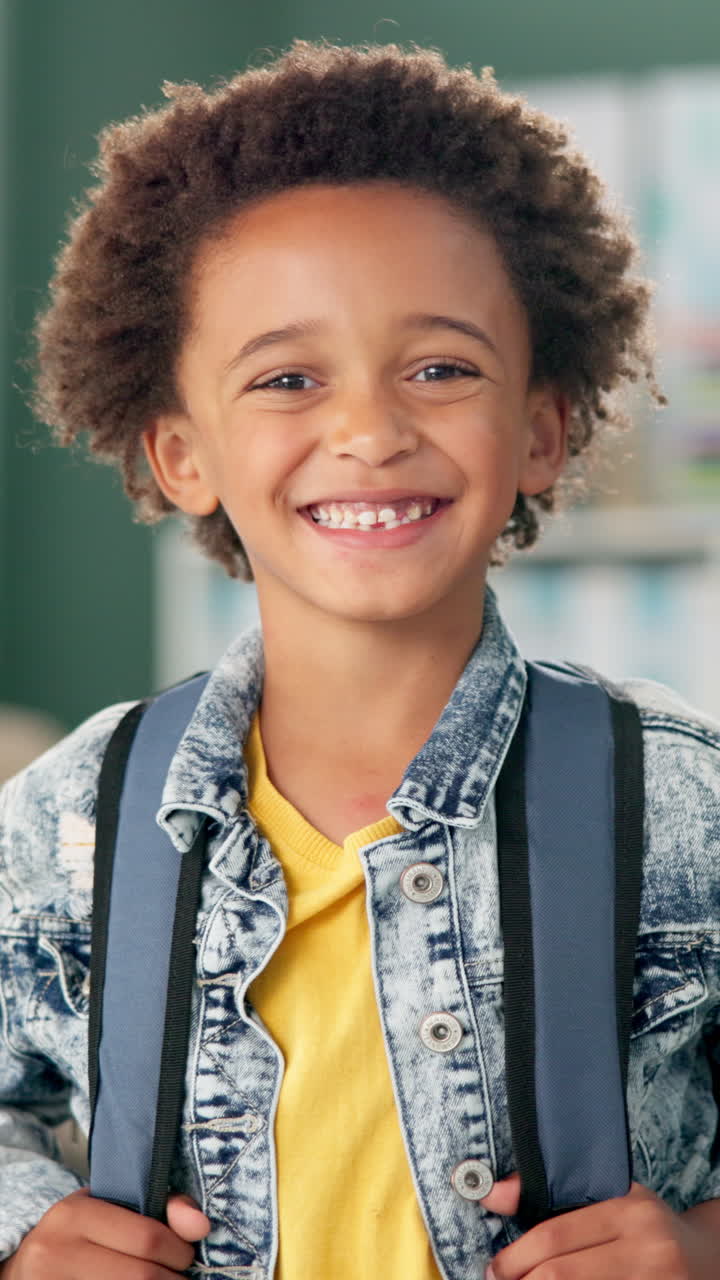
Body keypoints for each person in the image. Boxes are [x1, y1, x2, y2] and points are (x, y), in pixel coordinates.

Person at [1, 36, 719, 1280]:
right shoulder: (76, 816)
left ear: (542, 430)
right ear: (181, 455)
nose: (371, 430)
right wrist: (27, 1236)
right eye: (287, 378)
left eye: (441, 367)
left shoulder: (676, 797)